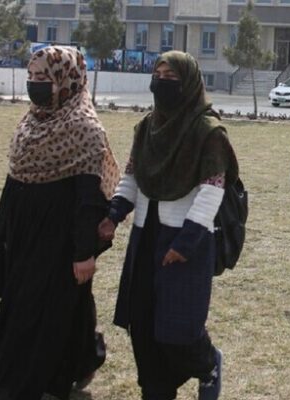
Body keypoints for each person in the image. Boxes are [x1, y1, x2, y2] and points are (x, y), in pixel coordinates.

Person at [0, 46, 119, 399]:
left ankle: (21, 385)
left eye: (44, 77)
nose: (35, 84)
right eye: (32, 76)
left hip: (59, 242)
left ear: (67, 80)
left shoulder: (85, 129)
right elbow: (12, 185)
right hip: (23, 236)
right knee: (52, 306)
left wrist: (83, 253)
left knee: (43, 310)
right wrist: (0, 237)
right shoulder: (30, 123)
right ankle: (80, 362)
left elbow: (89, 200)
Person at [98, 51, 238, 400]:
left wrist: (185, 243)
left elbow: (212, 191)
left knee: (178, 328)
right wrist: (114, 214)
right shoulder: (148, 127)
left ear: (187, 82)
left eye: (171, 76)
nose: (162, 82)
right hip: (146, 236)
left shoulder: (208, 131)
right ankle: (156, 390)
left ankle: (208, 364)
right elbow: (132, 176)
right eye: (157, 75)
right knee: (143, 323)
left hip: (185, 240)